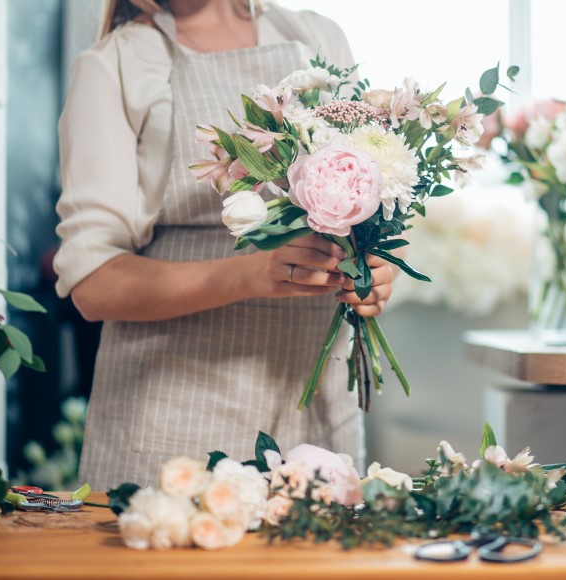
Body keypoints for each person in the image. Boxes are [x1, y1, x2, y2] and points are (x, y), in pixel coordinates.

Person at [53, 0, 394, 490]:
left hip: (317, 419)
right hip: (178, 427)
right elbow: (93, 283)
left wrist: (377, 272)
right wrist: (251, 274)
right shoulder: (118, 64)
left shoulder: (315, 39)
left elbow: (369, 202)